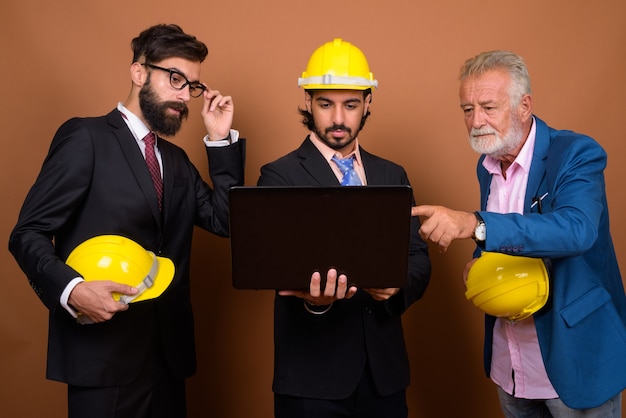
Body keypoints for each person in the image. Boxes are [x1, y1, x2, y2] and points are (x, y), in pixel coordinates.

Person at [8, 23, 245, 418]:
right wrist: (72, 290)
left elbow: (227, 221)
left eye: (193, 86)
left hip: (169, 360)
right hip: (102, 357)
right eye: (175, 79)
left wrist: (220, 141)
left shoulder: (179, 163)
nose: (184, 95)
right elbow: (27, 233)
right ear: (138, 72)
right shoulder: (86, 138)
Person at [412, 50, 626, 417]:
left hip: (574, 361)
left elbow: (577, 230)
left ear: (524, 105)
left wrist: (473, 224)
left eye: (488, 107)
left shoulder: (576, 153)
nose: (476, 121)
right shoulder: (487, 164)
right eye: (467, 109)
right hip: (511, 365)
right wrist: (480, 266)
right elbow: (505, 238)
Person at [257, 38, 431, 418]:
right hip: (312, 380)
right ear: (308, 102)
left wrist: (397, 287)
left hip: (384, 377)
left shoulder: (392, 174)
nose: (338, 118)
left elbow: (417, 257)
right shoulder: (278, 177)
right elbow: (275, 265)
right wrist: (312, 302)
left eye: (350, 105)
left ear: (368, 103)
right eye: (325, 104)